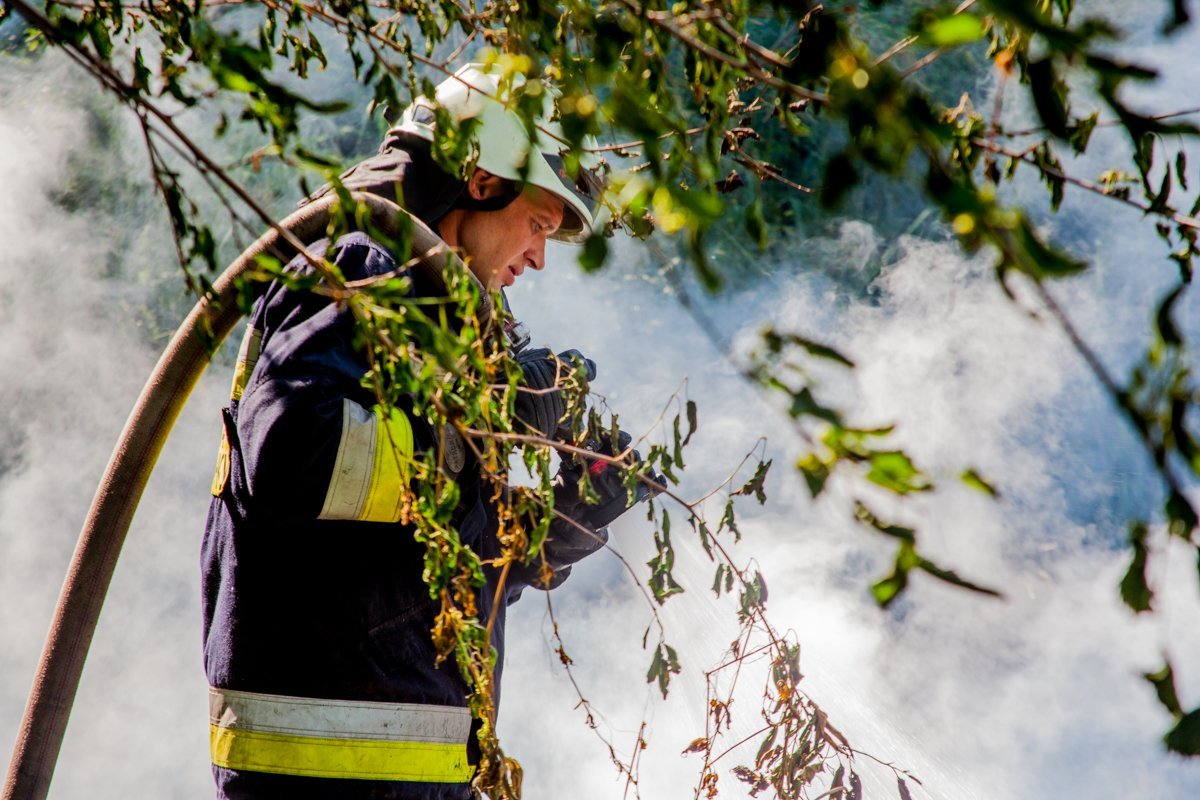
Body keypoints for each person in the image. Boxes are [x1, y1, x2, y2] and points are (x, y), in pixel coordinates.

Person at [202, 64, 648, 799]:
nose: (538, 256)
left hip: (414, 779)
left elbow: (423, 559)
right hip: (323, 783)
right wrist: (493, 420)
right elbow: (293, 459)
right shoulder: (358, 266)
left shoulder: (434, 311)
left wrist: (559, 525)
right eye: (537, 223)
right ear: (480, 182)